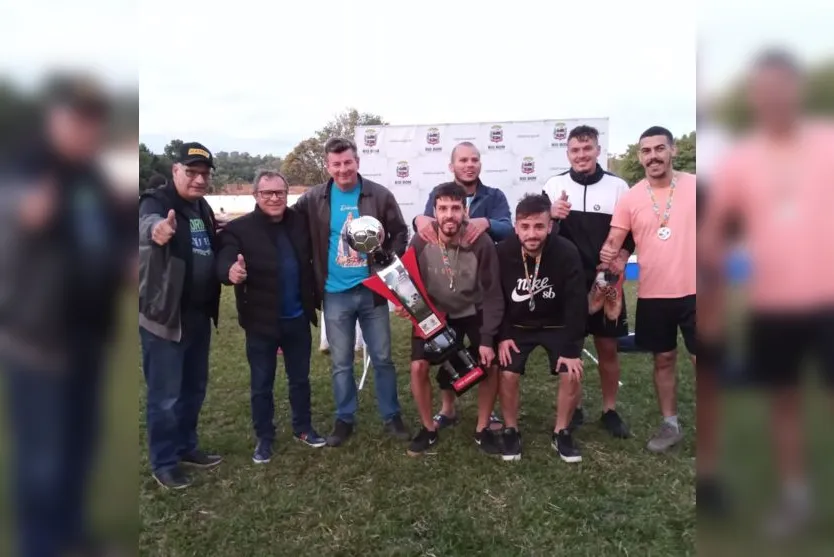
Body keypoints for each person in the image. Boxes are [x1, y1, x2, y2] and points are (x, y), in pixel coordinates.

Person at [0, 74, 134, 557]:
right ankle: (39, 546)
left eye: (92, 122)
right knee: (43, 459)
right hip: (37, 341)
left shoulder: (91, 178)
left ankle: (72, 540)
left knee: (79, 449)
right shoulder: (26, 167)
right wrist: (22, 215)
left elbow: (115, 239)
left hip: (88, 337)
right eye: (76, 120)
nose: (85, 130)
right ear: (55, 120)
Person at [702, 49, 834, 537]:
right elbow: (716, 231)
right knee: (786, 400)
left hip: (829, 300)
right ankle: (796, 495)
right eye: (763, 90)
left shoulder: (829, 143)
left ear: (798, 89)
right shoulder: (740, 159)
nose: (773, 98)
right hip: (773, 305)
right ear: (754, 97)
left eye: (782, 87)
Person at [293, 137, 410, 447]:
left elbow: (400, 231)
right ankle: (345, 418)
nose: (342, 169)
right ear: (327, 166)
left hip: (371, 291)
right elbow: (285, 220)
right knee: (341, 361)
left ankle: (392, 415)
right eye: (336, 164)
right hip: (334, 293)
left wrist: (387, 258)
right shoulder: (314, 198)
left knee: (383, 357)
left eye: (347, 162)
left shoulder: (379, 195)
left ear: (357, 161)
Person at [216, 170, 325, 464]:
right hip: (260, 321)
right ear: (256, 196)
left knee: (300, 379)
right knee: (261, 384)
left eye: (279, 192)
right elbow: (224, 257)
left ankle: (303, 428)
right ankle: (265, 437)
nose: (274, 198)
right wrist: (230, 271)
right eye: (267, 193)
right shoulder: (240, 229)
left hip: (298, 317)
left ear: (287, 194)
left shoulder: (300, 223)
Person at [599, 126, 696, 454]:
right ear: (640, 156)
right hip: (654, 293)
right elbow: (616, 242)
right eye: (646, 151)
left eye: (659, 149)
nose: (653, 156)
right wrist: (610, 255)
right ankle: (670, 424)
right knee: (664, 358)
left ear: (673, 151)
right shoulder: (631, 197)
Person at [139, 141, 223, 489]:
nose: (199, 180)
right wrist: (157, 230)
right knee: (165, 394)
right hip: (165, 316)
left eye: (204, 174)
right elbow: (146, 224)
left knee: (193, 387)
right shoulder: (157, 202)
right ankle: (164, 461)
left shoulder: (200, 207)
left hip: (197, 314)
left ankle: (187, 446)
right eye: (191, 172)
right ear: (176, 171)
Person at [398, 182, 504, 457]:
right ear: (433, 211)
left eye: (455, 208)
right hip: (435, 311)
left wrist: (489, 338)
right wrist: (405, 306)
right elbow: (408, 283)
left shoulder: (480, 241)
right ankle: (428, 429)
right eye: (442, 208)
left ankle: (482, 428)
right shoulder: (421, 239)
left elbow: (493, 294)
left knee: (489, 362)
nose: (449, 215)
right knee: (418, 367)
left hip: (473, 309)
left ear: (465, 210)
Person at [413, 141, 512, 430]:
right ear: (452, 165)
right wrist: (419, 219)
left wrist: (485, 223)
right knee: (432, 359)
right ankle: (445, 411)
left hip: (477, 294)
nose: (469, 164)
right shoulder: (436, 199)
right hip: (440, 303)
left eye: (474, 159)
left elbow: (508, 227)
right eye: (463, 160)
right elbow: (425, 224)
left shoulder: (493, 197)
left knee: (487, 357)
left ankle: (485, 420)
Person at [542, 124, 634, 438]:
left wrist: (621, 257)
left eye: (587, 149)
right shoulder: (554, 185)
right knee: (572, 349)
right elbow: (537, 228)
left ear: (597, 150)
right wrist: (551, 213)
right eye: (575, 150)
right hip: (568, 284)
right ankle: (575, 406)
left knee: (608, 347)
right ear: (568, 153)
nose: (581, 155)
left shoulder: (619, 186)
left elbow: (632, 233)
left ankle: (609, 410)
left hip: (605, 279)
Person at [495, 194, 588, 462]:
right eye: (525, 226)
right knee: (508, 372)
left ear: (550, 225)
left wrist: (571, 349)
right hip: (517, 326)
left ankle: (561, 432)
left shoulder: (566, 251)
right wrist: (502, 336)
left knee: (571, 372)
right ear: (516, 227)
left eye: (539, 226)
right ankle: (511, 429)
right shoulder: (502, 251)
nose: (532, 233)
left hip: (557, 324)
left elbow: (576, 304)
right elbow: (496, 297)